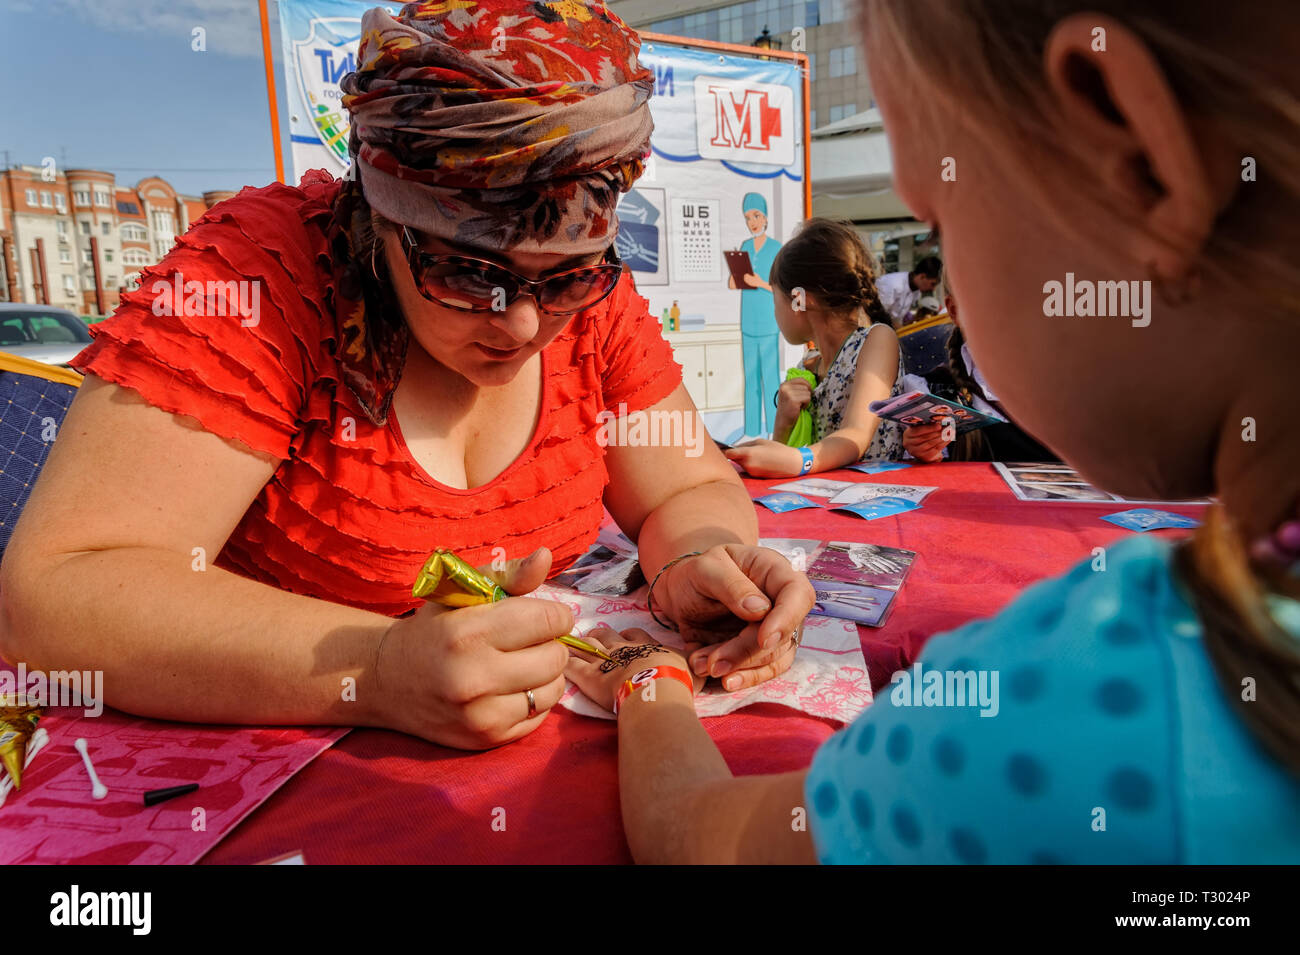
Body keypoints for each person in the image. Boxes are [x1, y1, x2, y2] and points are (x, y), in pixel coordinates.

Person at [563, 0, 1300, 862]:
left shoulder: (1068, 700)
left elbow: (701, 839)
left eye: (943, 224)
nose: (951, 299)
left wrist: (647, 680)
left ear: (1136, 158)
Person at [0, 2, 815, 751]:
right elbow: (57, 596)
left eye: (565, 276)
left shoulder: (594, 307)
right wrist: (375, 669)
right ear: (383, 218)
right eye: (468, 272)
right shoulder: (261, 281)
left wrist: (697, 560)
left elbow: (682, 487)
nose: (524, 324)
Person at [724, 219, 905, 478]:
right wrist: (783, 422)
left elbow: (856, 434)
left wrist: (800, 460)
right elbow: (784, 456)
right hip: (825, 505)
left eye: (776, 299)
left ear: (799, 299)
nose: (774, 312)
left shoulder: (876, 340)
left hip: (877, 504)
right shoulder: (807, 366)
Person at [903, 274, 1058, 463]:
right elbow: (929, 474)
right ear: (954, 310)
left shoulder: (1070, 380)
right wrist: (924, 450)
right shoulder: (932, 392)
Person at [728, 193, 783, 438]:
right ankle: (751, 432)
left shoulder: (776, 248)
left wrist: (759, 282)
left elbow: (781, 287)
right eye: (748, 217)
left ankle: (774, 430)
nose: (752, 222)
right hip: (748, 321)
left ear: (766, 216)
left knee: (770, 378)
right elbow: (734, 285)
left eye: (756, 216)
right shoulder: (746, 247)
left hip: (769, 322)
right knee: (751, 379)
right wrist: (735, 274)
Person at [875, 255, 942, 328]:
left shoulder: (916, 292)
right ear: (922, 276)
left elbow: (899, 317)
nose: (933, 289)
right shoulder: (892, 284)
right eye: (933, 284)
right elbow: (878, 315)